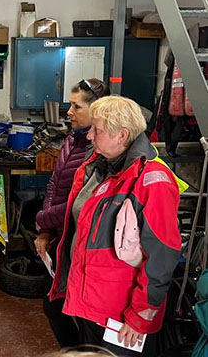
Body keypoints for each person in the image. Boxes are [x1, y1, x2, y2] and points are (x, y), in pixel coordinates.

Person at [49, 96, 182, 356]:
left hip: (121, 315)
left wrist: (141, 315)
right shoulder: (98, 169)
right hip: (92, 304)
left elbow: (162, 254)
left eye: (97, 130)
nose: (89, 136)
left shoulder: (151, 180)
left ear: (121, 135)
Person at [35, 78, 110, 348]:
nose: (69, 112)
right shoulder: (73, 139)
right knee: (55, 307)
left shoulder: (99, 149)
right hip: (59, 237)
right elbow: (55, 184)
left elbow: (78, 204)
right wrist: (44, 229)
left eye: (76, 106)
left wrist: (43, 219)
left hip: (80, 242)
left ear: (97, 110)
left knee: (80, 315)